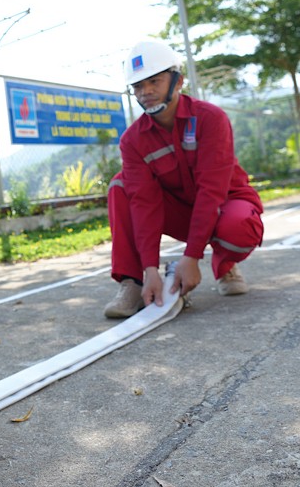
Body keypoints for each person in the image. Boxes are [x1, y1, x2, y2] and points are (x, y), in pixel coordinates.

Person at [104, 39, 264, 318]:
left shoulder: (210, 118)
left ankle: (225, 265)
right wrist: (150, 268)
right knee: (120, 185)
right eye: (138, 86)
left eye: (154, 81)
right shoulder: (132, 140)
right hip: (179, 212)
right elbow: (144, 203)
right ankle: (133, 282)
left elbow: (211, 191)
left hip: (224, 204)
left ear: (177, 81)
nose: (146, 92)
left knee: (240, 228)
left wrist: (191, 258)